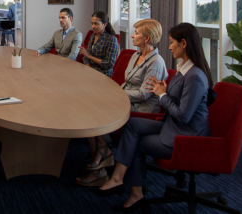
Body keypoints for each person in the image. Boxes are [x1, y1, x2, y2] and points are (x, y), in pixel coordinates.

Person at [91, 23, 213, 212]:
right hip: (172, 125)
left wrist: (162, 95)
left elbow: (183, 116)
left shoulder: (195, 76)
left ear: (184, 43)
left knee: (137, 142)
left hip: (185, 135)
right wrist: (163, 91)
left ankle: (133, 191)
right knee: (132, 125)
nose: (169, 47)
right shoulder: (184, 70)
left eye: (172, 43)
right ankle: (119, 179)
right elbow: (177, 101)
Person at [76, 19, 167, 187]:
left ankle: (101, 162)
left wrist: (117, 94)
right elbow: (127, 83)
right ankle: (102, 152)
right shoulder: (135, 55)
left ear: (147, 38)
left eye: (137, 33)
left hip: (142, 109)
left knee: (94, 111)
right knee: (88, 105)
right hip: (125, 100)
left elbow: (144, 94)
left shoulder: (156, 63)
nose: (132, 35)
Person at [79, 11, 119, 77]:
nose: (93, 26)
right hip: (90, 70)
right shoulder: (93, 36)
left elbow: (109, 63)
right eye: (92, 23)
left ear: (104, 24)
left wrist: (89, 57)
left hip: (103, 74)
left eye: (96, 24)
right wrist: (88, 67)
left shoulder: (111, 39)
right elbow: (85, 56)